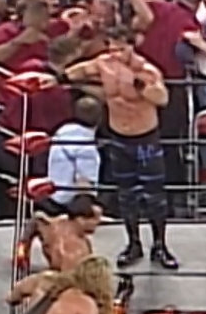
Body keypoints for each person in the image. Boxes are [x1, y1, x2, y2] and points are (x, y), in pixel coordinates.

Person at [57, 26, 179, 270]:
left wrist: (140, 86)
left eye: (120, 49)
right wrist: (60, 77)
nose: (115, 53)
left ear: (131, 47)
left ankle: (160, 245)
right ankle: (133, 244)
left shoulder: (146, 70)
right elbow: (81, 70)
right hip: (119, 138)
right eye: (112, 48)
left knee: (154, 196)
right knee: (126, 195)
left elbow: (162, 98)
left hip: (145, 138)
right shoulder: (104, 64)